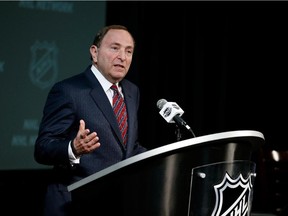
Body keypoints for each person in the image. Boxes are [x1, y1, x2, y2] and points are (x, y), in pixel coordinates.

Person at [34, 24, 147, 216]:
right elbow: (42, 148)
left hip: (115, 203)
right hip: (74, 204)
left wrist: (162, 157)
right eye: (114, 48)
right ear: (94, 53)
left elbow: (127, 147)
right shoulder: (69, 91)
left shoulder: (131, 91)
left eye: (129, 51)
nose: (123, 56)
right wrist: (73, 148)